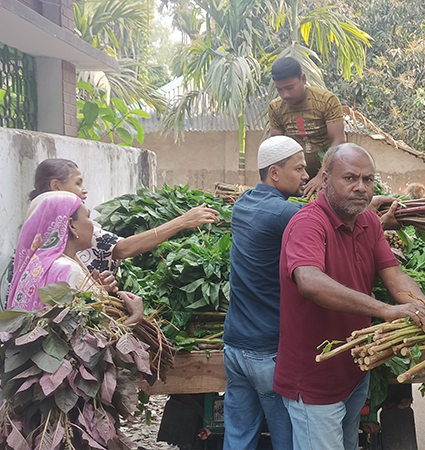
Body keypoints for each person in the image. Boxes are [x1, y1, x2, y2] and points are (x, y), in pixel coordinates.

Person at [273, 143, 425, 450]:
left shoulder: (368, 220)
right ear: (324, 179)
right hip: (314, 378)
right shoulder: (308, 223)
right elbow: (309, 281)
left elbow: (392, 272)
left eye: (368, 179)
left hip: (354, 371)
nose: (361, 187)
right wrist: (386, 310)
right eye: (349, 178)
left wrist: (419, 304)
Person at [222, 136, 309, 449]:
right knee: (287, 439)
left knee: (238, 437)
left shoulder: (243, 204)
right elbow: (330, 234)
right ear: (275, 172)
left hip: (234, 346)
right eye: (299, 168)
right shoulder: (284, 214)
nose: (305, 175)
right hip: (268, 351)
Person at [26, 159, 219, 277]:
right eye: (78, 183)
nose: (84, 190)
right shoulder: (70, 225)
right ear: (56, 186)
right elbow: (123, 248)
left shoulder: (33, 221)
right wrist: (182, 221)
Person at [8, 191, 142, 325]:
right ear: (72, 226)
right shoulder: (68, 270)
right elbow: (90, 341)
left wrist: (96, 290)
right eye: (88, 217)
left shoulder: (37, 266)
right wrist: (135, 316)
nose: (92, 225)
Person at [269, 57, 346, 198]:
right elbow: (277, 147)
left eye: (290, 87)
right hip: (295, 180)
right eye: (279, 89)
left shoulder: (327, 101)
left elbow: (338, 141)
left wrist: (322, 175)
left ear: (303, 79)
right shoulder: (276, 107)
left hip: (329, 175)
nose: (285, 94)